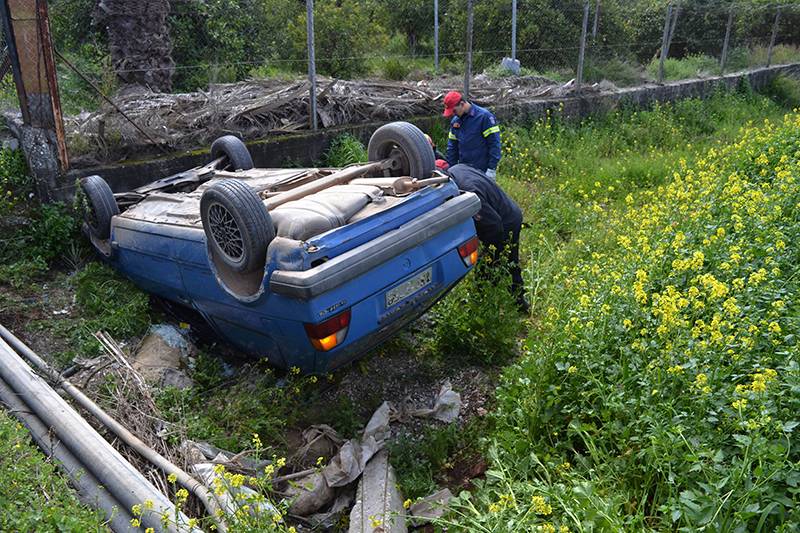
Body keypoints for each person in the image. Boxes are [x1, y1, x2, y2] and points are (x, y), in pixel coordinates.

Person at [446, 163, 528, 313]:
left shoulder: (469, 193)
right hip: (504, 210)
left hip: (506, 221)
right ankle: (516, 300)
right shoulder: (455, 169)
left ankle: (483, 304)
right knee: (507, 262)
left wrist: (485, 251)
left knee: (497, 264)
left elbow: (494, 227)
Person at [442, 91, 502, 179]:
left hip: (482, 170)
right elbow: (452, 148)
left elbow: (494, 144)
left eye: (454, 110)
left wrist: (491, 169)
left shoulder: (484, 117)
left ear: (462, 104)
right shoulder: (455, 122)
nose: (453, 114)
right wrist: (451, 170)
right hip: (465, 171)